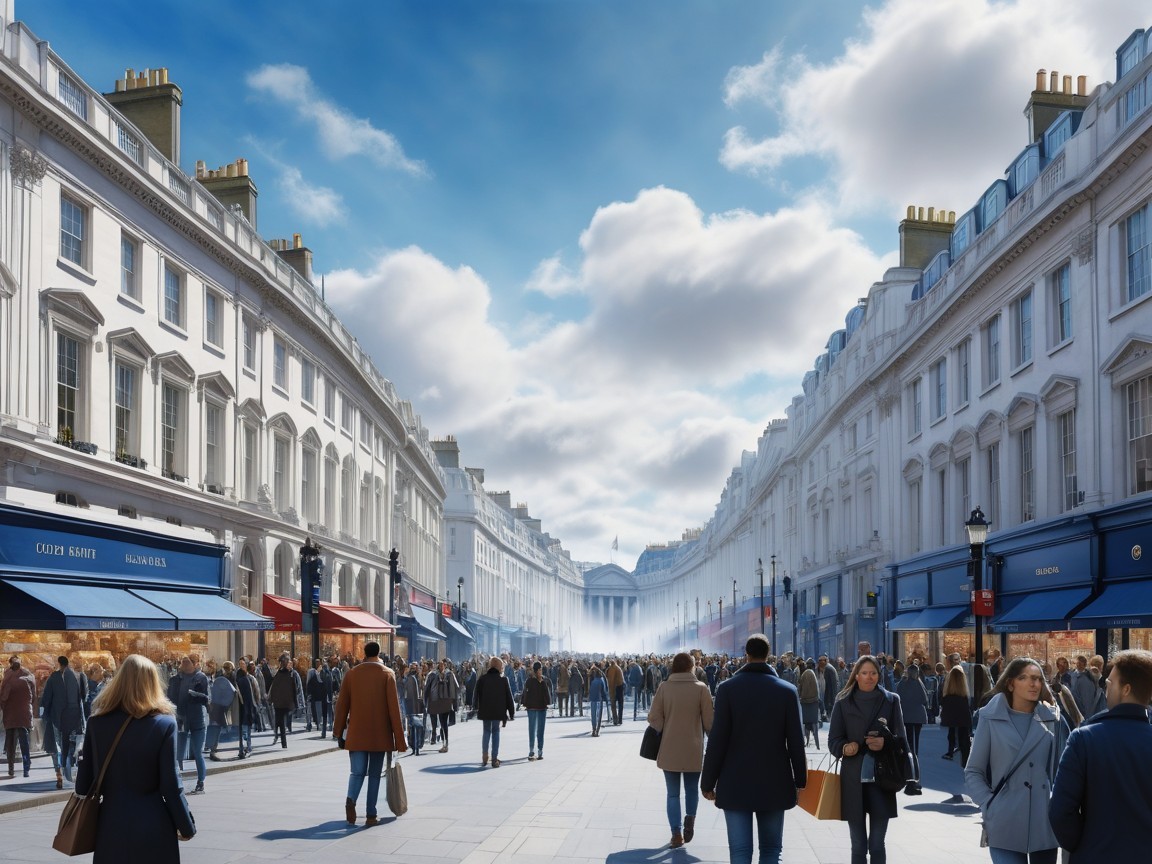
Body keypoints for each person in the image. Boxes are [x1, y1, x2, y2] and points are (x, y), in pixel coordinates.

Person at [74, 654, 195, 862]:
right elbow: (170, 785)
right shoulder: (164, 724)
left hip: (110, 825)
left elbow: (83, 786)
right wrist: (186, 826)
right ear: (152, 684)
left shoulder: (96, 723)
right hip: (153, 824)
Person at [702, 635, 806, 864]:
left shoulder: (727, 689)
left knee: (740, 852)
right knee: (770, 850)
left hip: (735, 779)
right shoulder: (787, 691)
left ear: (746, 655)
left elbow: (717, 739)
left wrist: (707, 782)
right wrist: (800, 780)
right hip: (775, 780)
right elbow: (796, 741)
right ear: (768, 655)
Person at [1049, 649, 1152, 861]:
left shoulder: (1083, 739)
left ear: (1126, 689)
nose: (1106, 688)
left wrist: (1081, 846)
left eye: (1110, 683)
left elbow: (1060, 811)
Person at [964, 657, 1068, 864]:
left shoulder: (1053, 719)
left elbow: (1067, 769)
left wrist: (1060, 806)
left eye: (1038, 679)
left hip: (1044, 820)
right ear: (1010, 683)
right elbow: (973, 770)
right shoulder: (990, 717)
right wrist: (989, 803)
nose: (1034, 684)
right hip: (1005, 818)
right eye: (1025, 678)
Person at [828, 654, 909, 864]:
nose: (869, 677)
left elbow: (902, 740)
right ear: (856, 675)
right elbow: (833, 740)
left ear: (879, 675)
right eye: (864, 673)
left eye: (873, 673)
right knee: (858, 845)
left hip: (883, 778)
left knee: (876, 844)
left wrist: (886, 743)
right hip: (853, 779)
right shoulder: (843, 702)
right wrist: (845, 747)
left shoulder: (891, 700)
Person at [332, 641, 406, 826]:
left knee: (356, 772)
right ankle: (371, 814)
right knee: (374, 774)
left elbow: (342, 706)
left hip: (357, 733)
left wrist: (338, 731)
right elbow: (394, 710)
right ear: (379, 653)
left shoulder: (351, 674)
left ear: (364, 653)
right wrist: (399, 739)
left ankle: (351, 799)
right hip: (380, 735)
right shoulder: (387, 674)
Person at [647, 652, 714, 849]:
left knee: (673, 794)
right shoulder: (701, 689)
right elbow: (710, 723)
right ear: (692, 667)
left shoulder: (664, 687)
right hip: (693, 747)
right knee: (692, 789)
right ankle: (690, 818)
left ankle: (676, 833)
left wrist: (665, 727)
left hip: (669, 748)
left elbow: (654, 717)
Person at [40, 655, 89, 788]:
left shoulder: (53, 678)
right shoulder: (80, 676)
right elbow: (85, 697)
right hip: (75, 718)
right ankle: (74, 770)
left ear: (58, 664)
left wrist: (44, 712)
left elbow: (46, 699)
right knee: (75, 745)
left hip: (58, 718)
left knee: (57, 745)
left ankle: (60, 773)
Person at [171, 656, 208, 794]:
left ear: (195, 664)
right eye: (183, 662)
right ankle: (177, 781)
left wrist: (195, 695)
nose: (184, 664)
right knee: (178, 753)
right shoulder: (176, 679)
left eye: (187, 662)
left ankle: (201, 782)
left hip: (197, 718)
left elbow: (206, 698)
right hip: (181, 718)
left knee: (197, 752)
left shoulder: (201, 677)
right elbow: (171, 698)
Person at [473, 657, 515, 767]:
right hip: (498, 711)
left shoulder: (482, 679)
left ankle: (485, 756)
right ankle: (494, 758)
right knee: (496, 731)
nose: (502, 669)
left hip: (485, 710)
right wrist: (511, 713)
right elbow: (509, 698)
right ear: (497, 667)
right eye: (502, 667)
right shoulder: (503, 680)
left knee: (486, 731)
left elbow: (475, 694)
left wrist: (475, 707)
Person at [895, 664, 929, 794]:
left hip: (906, 716)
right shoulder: (919, 683)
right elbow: (924, 699)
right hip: (918, 717)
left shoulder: (902, 684)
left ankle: (910, 775)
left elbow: (897, 698)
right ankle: (915, 777)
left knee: (909, 745)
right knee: (915, 746)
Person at [1, 656, 36, 778]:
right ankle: (26, 767)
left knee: (11, 743)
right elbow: (33, 695)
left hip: (11, 714)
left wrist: (3, 707)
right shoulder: (28, 675)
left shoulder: (7, 676)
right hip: (23, 714)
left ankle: (11, 769)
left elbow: (3, 697)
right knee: (23, 742)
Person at [424, 659, 459, 754]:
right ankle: (444, 743)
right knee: (442, 723)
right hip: (437, 702)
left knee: (444, 723)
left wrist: (455, 704)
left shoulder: (450, 674)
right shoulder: (432, 675)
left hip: (446, 701)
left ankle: (445, 743)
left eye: (443, 664)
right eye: (439, 665)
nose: (441, 666)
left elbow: (455, 689)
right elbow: (427, 689)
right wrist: (426, 702)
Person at [939, 666, 972, 764]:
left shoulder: (947, 696)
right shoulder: (964, 697)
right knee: (964, 738)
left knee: (952, 732)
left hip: (951, 719)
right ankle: (965, 759)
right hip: (964, 720)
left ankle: (951, 751)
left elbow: (942, 703)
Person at [520, 660, 552, 760]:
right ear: (538, 670)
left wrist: (525, 704)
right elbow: (547, 695)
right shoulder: (543, 681)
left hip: (531, 708)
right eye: (541, 669)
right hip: (541, 708)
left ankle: (531, 750)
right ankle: (540, 750)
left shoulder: (529, 681)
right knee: (540, 730)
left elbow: (525, 693)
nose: (541, 671)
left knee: (532, 729)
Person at [267, 654, 297, 749]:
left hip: (282, 703)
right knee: (280, 722)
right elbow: (275, 687)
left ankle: (282, 741)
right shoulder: (284, 674)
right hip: (282, 702)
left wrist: (271, 700)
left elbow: (294, 689)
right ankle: (281, 741)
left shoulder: (288, 674)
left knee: (281, 723)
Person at [306, 657, 334, 738]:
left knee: (324, 714)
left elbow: (318, 681)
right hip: (328, 696)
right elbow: (331, 685)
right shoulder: (329, 673)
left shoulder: (320, 673)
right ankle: (330, 727)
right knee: (329, 713)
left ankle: (324, 732)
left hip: (322, 696)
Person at [798, 660, 822, 748]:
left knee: (806, 724)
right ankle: (817, 745)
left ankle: (806, 742)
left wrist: (801, 697)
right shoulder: (812, 674)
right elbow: (817, 690)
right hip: (814, 703)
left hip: (805, 703)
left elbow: (799, 688)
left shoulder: (804, 674)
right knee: (814, 725)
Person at [234, 661, 255, 758]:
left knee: (243, 730)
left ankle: (242, 748)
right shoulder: (245, 679)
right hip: (246, 708)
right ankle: (247, 747)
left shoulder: (239, 680)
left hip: (241, 709)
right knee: (246, 729)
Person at [588, 665, 609, 736]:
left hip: (592, 699)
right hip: (599, 699)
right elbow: (603, 691)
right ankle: (597, 730)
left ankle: (593, 729)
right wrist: (606, 699)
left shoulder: (593, 681)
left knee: (593, 715)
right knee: (599, 715)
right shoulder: (601, 680)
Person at [607, 659, 625, 725]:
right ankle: (620, 720)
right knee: (620, 705)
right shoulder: (618, 668)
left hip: (614, 688)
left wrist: (610, 690)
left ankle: (615, 720)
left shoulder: (610, 669)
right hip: (620, 687)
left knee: (613, 705)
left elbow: (610, 680)